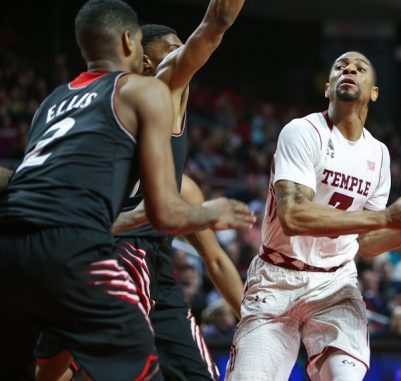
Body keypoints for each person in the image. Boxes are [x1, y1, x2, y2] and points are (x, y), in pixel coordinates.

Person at [0, 0, 240, 379]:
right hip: (106, 251)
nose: (182, 53)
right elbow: (215, 23)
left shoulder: (57, 103)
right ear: (139, 54)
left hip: (42, 248)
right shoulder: (149, 90)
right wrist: (208, 212)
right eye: (173, 48)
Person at [226, 51, 401, 380]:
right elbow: (294, 215)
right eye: (341, 66)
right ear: (328, 88)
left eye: (360, 68)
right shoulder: (302, 132)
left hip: (336, 283)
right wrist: (388, 217)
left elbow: (367, 243)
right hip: (277, 277)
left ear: (374, 92)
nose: (350, 69)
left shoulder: (379, 154)